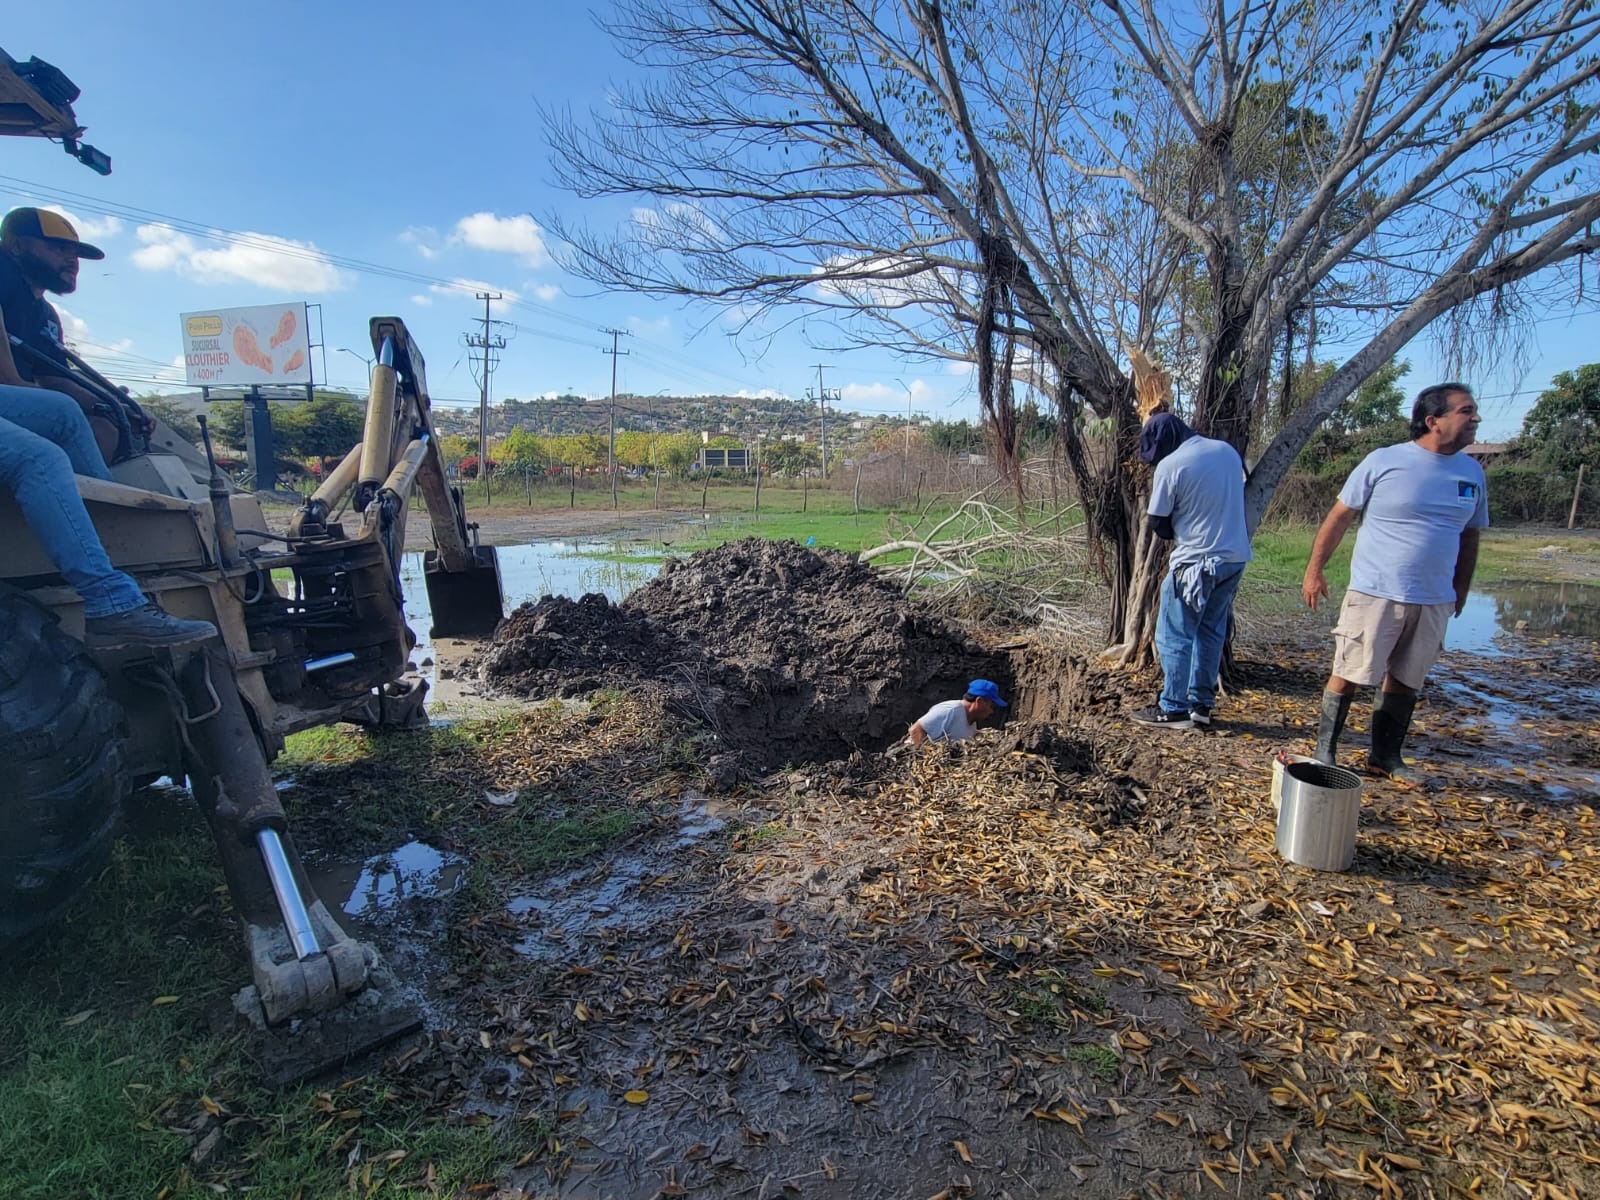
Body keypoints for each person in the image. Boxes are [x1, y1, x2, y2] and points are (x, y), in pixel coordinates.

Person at [0, 207, 215, 648]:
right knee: (39, 458)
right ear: (16, 244)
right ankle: (110, 601)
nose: (71, 260)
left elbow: (55, 378)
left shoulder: (42, 313)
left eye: (75, 252)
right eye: (57, 247)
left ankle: (118, 554)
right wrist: (15, 380)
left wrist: (114, 405)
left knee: (65, 411)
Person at [1302, 383, 1487, 781]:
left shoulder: (1472, 472)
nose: (1475, 418)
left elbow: (1470, 535)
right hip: (1376, 591)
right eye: (1465, 411)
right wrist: (1314, 570)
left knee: (1406, 678)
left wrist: (1460, 588)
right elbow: (1339, 517)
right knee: (1350, 670)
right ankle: (1325, 751)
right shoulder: (1384, 461)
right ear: (1433, 420)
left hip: (1433, 597)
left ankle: (1385, 757)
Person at [1130, 412, 1253, 731]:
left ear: (1165, 442)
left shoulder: (1172, 465)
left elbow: (1158, 521)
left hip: (1195, 564)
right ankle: (1201, 705)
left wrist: (1181, 528)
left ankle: (1173, 708)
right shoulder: (1227, 452)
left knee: (1175, 634)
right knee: (1210, 632)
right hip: (1233, 558)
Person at [907, 679, 1007, 745]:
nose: (992, 711)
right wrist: (927, 758)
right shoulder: (950, 710)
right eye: (991, 706)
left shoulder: (972, 723)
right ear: (979, 701)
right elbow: (915, 730)